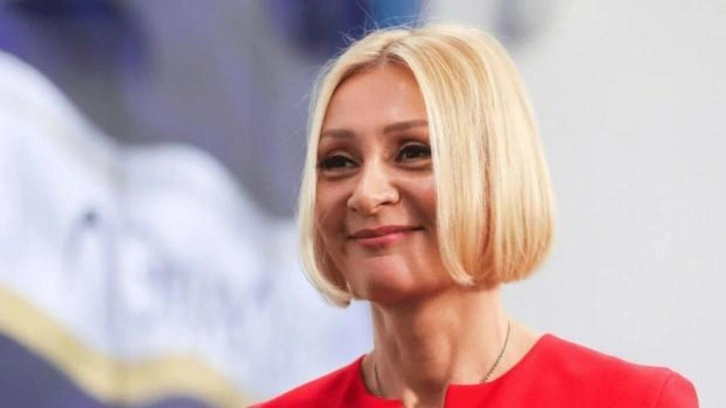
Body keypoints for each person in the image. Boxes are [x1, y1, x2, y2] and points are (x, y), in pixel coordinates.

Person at [253, 23, 698, 407]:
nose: (366, 194)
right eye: (338, 161)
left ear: (495, 174)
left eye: (413, 151)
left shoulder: (637, 402)